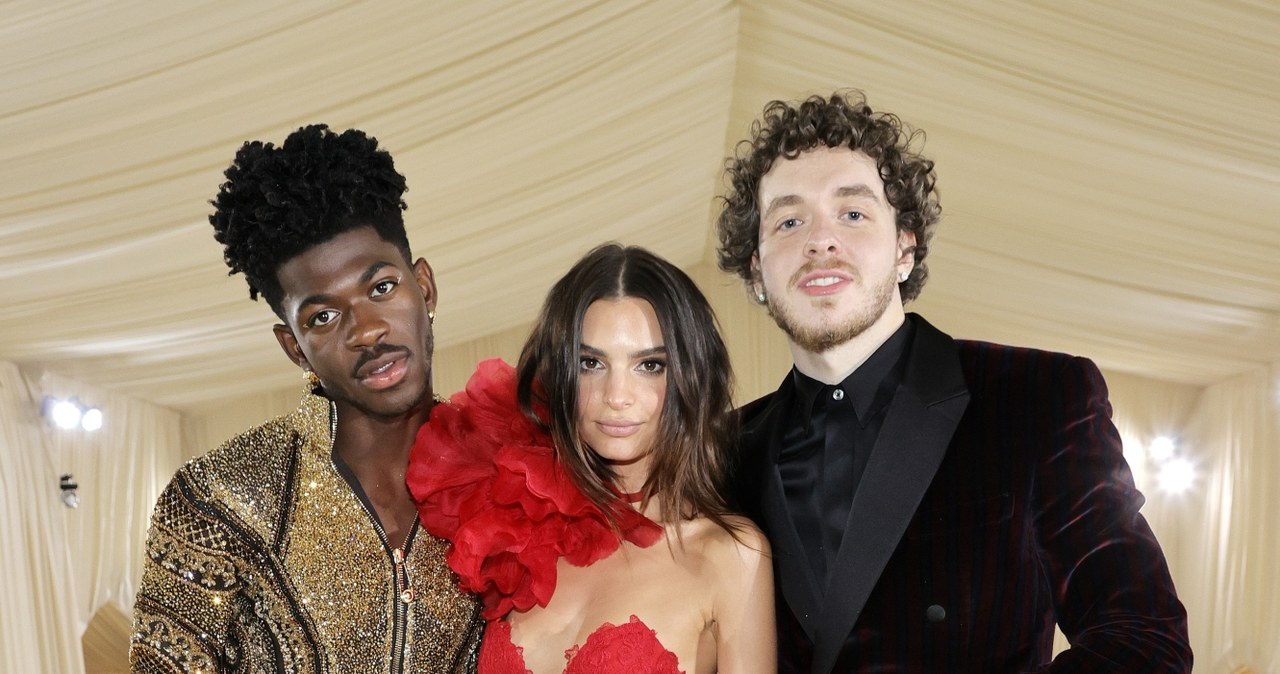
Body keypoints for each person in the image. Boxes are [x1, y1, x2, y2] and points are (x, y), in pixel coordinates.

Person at [715, 91, 1192, 673]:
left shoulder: (1037, 396)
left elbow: (1142, 636)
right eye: (789, 220)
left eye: (853, 213)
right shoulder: (718, 452)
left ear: (904, 249)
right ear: (757, 270)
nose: (821, 240)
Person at [129, 125, 483, 673]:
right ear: (294, 346)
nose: (366, 330)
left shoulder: (508, 478)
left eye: (382, 288)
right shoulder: (220, 499)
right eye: (324, 316)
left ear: (425, 287)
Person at [408, 244, 776, 674]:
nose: (616, 397)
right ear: (561, 374)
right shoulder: (519, 538)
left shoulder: (730, 556)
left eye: (650, 365)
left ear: (689, 374)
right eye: (591, 363)